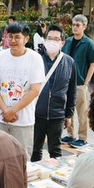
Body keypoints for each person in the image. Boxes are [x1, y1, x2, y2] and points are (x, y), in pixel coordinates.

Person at [0, 22, 45, 157]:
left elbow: (35, 90)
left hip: (23, 121)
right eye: (10, 37)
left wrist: (13, 111)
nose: (13, 41)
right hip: (0, 119)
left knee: (21, 159)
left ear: (26, 39)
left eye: (17, 37)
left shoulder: (35, 59)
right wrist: (5, 111)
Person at [31, 24, 76, 162]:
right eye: (49, 38)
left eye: (56, 39)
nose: (52, 42)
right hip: (36, 113)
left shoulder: (69, 62)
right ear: (44, 41)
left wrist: (69, 114)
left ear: (62, 42)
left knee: (55, 151)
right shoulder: (36, 59)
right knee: (35, 149)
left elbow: (71, 91)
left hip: (57, 114)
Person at [61, 14, 94, 147]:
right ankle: (70, 134)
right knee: (68, 110)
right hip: (66, 82)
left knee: (82, 111)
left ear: (84, 26)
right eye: (73, 24)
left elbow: (93, 64)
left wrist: (86, 83)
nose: (74, 27)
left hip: (79, 83)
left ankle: (82, 137)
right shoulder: (67, 41)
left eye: (78, 25)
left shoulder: (89, 43)